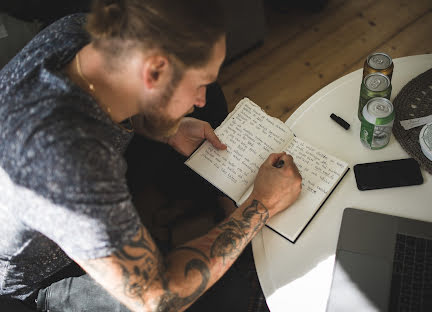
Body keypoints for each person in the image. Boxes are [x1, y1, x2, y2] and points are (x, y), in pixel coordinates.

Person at [0, 0, 302, 311]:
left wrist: (168, 128)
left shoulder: (77, 31)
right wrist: (259, 206)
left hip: (56, 196)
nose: (198, 98)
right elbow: (159, 298)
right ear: (154, 71)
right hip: (29, 287)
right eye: (198, 84)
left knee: (211, 104)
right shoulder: (71, 163)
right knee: (228, 296)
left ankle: (225, 209)